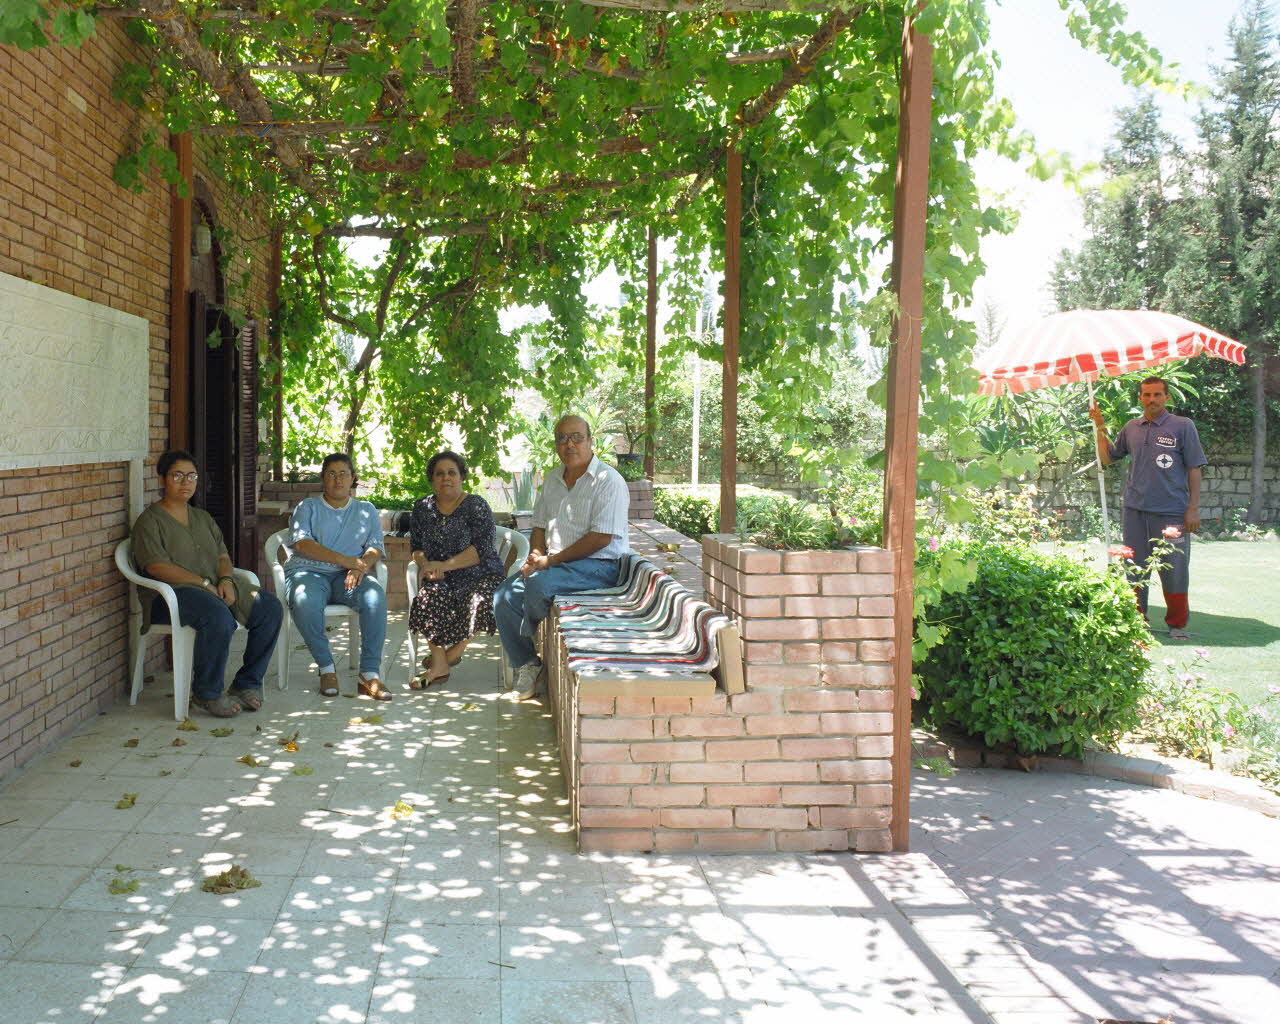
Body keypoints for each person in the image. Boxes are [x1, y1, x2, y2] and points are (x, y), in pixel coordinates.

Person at [131, 449, 283, 717]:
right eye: (177, 475)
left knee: (269, 607)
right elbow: (157, 566)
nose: (185, 481)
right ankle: (206, 693)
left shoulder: (202, 518)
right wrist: (204, 584)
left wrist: (224, 578)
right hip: (170, 598)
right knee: (218, 617)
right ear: (162, 479)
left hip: (214, 587)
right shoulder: (150, 521)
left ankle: (247, 683)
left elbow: (223, 555)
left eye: (192, 476)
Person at [493, 414, 630, 699]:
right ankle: (528, 664)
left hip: (600, 566)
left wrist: (549, 562)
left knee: (539, 586)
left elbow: (601, 538)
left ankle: (527, 629)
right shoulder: (553, 479)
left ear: (591, 442)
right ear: (556, 445)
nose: (570, 444)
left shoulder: (609, 481)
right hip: (558, 565)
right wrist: (536, 555)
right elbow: (540, 525)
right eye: (562, 438)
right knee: (503, 596)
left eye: (577, 437)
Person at [1090, 375, 1206, 639]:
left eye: (1156, 394)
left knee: (1174, 569)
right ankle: (1136, 621)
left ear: (1166, 397)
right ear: (1140, 398)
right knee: (1134, 569)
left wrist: (1193, 509)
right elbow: (1108, 458)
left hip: (1172, 512)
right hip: (1135, 510)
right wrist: (1099, 427)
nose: (1151, 399)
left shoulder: (1182, 426)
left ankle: (1176, 625)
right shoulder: (1131, 427)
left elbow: (1194, 468)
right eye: (1146, 394)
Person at [282, 453, 390, 699]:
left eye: (343, 473)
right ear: (323, 478)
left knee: (374, 598)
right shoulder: (308, 507)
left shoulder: (366, 510)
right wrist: (347, 560)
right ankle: (326, 667)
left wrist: (360, 566)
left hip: (349, 576)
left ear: (353, 478)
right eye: (331, 473)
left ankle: (370, 674)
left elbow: (375, 547)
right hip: (308, 571)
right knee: (304, 601)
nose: (338, 479)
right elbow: (302, 545)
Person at [407, 450, 506, 689]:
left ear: (462, 477)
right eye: (439, 474)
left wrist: (444, 565)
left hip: (479, 571)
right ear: (432, 479)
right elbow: (416, 547)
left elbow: (481, 549)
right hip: (440, 575)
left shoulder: (476, 506)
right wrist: (426, 565)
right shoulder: (422, 508)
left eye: (452, 472)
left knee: (483, 597)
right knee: (430, 593)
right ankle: (441, 663)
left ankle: (451, 655)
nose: (446, 478)